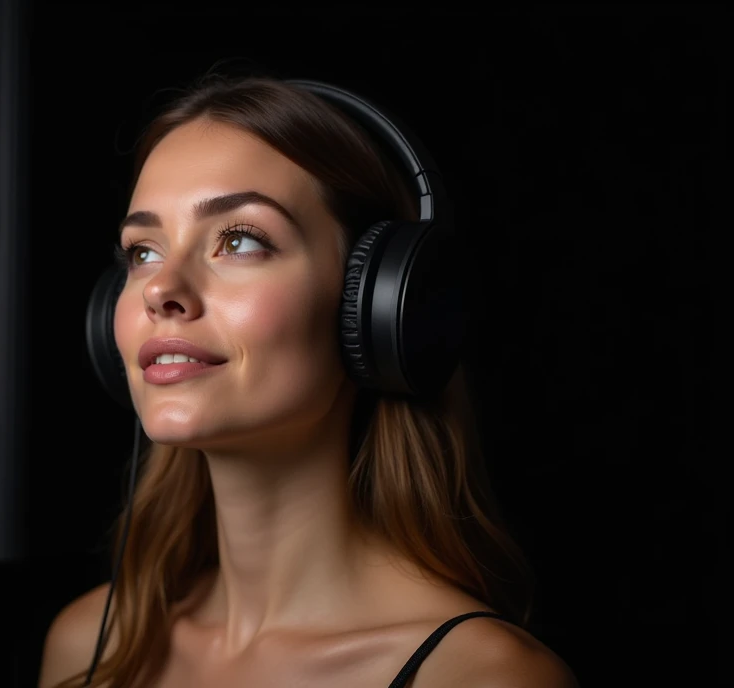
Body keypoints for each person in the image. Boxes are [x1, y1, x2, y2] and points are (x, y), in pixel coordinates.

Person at [39, 73, 579, 688]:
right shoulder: (88, 648)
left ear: (375, 305)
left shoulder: (481, 677)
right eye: (144, 252)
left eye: (239, 240)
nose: (162, 289)